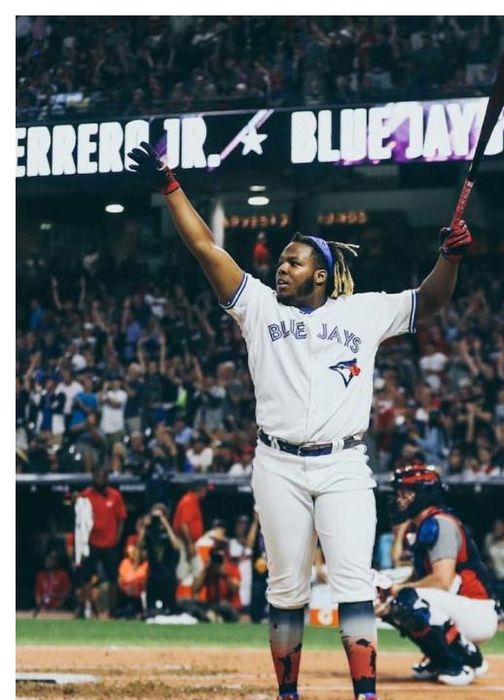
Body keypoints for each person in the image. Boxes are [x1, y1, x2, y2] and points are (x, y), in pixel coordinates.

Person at [128, 140, 469, 700]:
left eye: (293, 261)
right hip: (277, 462)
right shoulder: (258, 305)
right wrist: (170, 184)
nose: (280, 268)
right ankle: (288, 695)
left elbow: (429, 300)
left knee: (354, 583)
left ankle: (365, 695)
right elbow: (205, 248)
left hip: (343, 464)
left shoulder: (364, 310)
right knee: (286, 587)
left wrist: (450, 258)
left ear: (321, 274)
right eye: (281, 261)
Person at [374, 463, 497, 686]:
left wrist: (395, 590)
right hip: (457, 605)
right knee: (389, 603)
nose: (399, 499)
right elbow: (416, 576)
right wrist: (386, 589)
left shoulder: (440, 523)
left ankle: (462, 659)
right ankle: (439, 658)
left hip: (477, 610)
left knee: (405, 600)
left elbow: (442, 580)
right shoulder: (419, 525)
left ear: (423, 495)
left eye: (405, 493)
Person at [77, 467, 127, 619]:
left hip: (109, 544)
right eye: (96, 476)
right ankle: (87, 609)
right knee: (85, 578)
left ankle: (112, 609)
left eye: (102, 476)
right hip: (90, 543)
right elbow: (79, 521)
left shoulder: (115, 496)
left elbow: (121, 518)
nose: (99, 479)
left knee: (113, 578)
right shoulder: (85, 496)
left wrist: (117, 538)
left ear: (107, 478)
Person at [137, 503, 184, 616]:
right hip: (153, 573)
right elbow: (139, 546)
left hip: (168, 574)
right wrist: (144, 527)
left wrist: (165, 524)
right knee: (151, 611)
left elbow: (177, 546)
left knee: (169, 610)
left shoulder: (170, 532)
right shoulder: (149, 533)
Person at [116, 535, 149, 619]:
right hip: (126, 597)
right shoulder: (125, 562)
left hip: (141, 598)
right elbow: (121, 581)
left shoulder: (147, 565)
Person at [34, 551, 72, 616]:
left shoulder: (62, 575)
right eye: (47, 560)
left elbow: (65, 593)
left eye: (51, 560)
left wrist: (56, 607)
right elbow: (38, 593)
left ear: (56, 562)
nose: (49, 562)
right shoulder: (41, 576)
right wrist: (41, 606)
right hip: (43, 608)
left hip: (59, 608)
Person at [172, 480, 209, 545]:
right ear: (200, 489)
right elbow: (183, 525)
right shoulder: (189, 501)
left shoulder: (193, 500)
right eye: (205, 490)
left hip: (191, 542)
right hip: (185, 543)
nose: (206, 492)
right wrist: (190, 543)